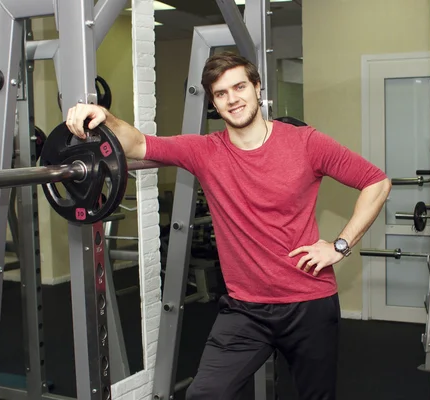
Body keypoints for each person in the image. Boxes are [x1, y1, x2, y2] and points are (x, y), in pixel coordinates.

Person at [66, 51, 391, 400]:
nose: (233, 99)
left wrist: (339, 246)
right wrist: (106, 119)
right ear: (214, 103)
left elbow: (376, 181)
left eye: (239, 87)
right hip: (245, 310)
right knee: (205, 395)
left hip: (308, 303)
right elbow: (137, 143)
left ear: (257, 87)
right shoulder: (204, 151)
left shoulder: (306, 143)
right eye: (221, 94)